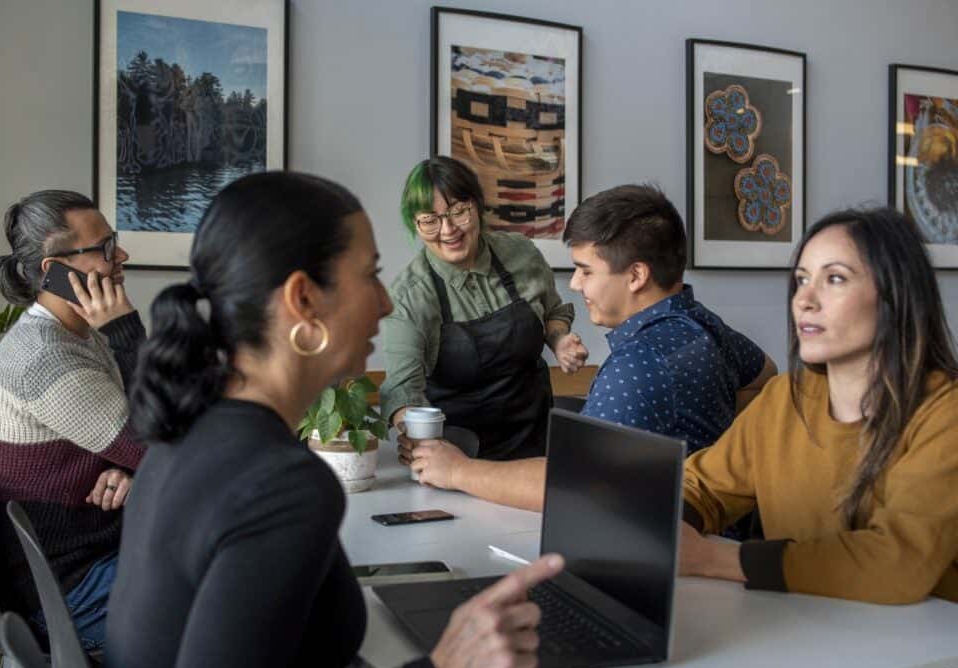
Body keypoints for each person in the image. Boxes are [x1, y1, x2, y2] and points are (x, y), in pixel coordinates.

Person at [105, 171, 564, 668]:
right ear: (304, 300)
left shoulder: (191, 431)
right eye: (369, 275)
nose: (386, 302)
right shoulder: (280, 483)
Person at [403, 184, 776, 512]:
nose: (577, 285)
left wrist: (457, 470)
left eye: (586, 271)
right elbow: (765, 375)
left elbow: (571, 484)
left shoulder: (638, 366)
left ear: (636, 275)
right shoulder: (700, 321)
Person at [678, 207, 958, 604]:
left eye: (835, 279)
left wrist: (712, 558)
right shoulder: (782, 398)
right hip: (803, 631)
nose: (804, 300)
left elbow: (898, 563)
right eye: (802, 280)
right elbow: (702, 487)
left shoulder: (945, 412)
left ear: (894, 296)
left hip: (924, 652)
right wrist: (664, 525)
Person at [0, 190, 145, 650]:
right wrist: (127, 330)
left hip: (87, 562)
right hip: (70, 593)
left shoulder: (72, 337)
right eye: (104, 248)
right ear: (54, 271)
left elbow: (150, 436)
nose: (121, 256)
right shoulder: (47, 359)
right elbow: (168, 445)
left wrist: (131, 464)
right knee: (245, 589)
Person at [380, 156, 588, 460]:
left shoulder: (520, 253)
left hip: (537, 442)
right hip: (461, 456)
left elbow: (552, 312)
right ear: (416, 224)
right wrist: (416, 435)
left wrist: (559, 340)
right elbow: (402, 390)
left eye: (459, 212)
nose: (448, 229)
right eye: (430, 220)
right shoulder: (410, 295)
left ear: (478, 206)